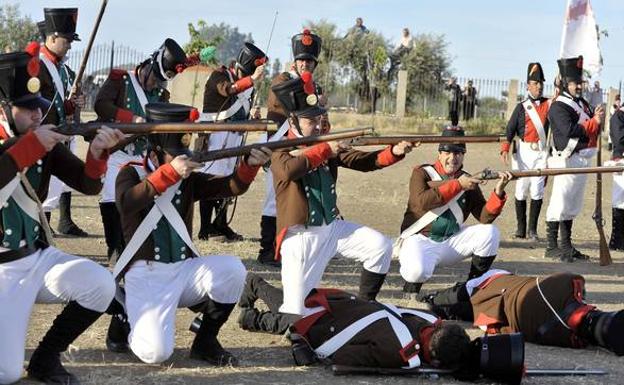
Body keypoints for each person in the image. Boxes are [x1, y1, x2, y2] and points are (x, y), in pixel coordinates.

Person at [106, 102, 271, 366]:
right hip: (146, 273)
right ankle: (126, 310)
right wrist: (169, 174)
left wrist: (249, 165)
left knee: (232, 269)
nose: (182, 158)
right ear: (157, 151)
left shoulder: (187, 178)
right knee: (156, 354)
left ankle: (205, 341)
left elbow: (230, 187)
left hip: (183, 269)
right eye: (175, 154)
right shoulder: (131, 172)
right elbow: (126, 203)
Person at [0, 46, 124, 385]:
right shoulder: (27, 144)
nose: (37, 115)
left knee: (100, 284)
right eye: (26, 109)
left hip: (36, 256)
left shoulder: (36, 141)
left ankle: (45, 358)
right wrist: (31, 146)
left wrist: (98, 151)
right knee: (6, 373)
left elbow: (88, 184)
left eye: (38, 108)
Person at [270, 74, 413, 317]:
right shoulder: (280, 147)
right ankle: (256, 291)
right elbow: (288, 170)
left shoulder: (325, 143)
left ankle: (365, 306)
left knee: (379, 247)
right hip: (301, 236)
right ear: (293, 121)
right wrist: (325, 149)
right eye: (309, 121)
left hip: (332, 228)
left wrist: (395, 151)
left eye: (318, 119)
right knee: (295, 311)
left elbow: (363, 161)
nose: (317, 125)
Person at [94, 38, 187, 261]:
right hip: (117, 151)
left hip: (145, 155)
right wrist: (131, 118)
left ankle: (136, 247)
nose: (156, 83)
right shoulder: (120, 80)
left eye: (160, 80)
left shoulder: (162, 96)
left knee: (143, 199)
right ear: (148, 66)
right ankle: (114, 247)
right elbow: (101, 105)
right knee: (110, 198)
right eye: (155, 77)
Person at [397, 127, 512, 295]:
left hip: (451, 240)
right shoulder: (422, 173)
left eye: (458, 153)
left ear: (463, 155)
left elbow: (484, 217)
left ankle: (475, 286)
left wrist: (498, 192)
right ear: (440, 154)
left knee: (490, 233)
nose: (453, 158)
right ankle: (411, 292)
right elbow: (422, 202)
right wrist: (458, 185)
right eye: (448, 152)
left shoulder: (467, 178)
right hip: (421, 239)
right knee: (416, 272)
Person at [420, 270, 624, 356]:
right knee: (469, 307)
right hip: (500, 305)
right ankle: (437, 302)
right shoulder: (562, 338)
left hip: (501, 289)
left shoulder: (568, 283)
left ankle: (434, 301)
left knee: (467, 295)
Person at [259, 29, 325, 267]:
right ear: (295, 61)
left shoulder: (311, 85)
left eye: (309, 60)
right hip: (279, 146)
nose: (305, 64)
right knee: (272, 200)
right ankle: (267, 251)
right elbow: (295, 102)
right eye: (302, 60)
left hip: (301, 147)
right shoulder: (282, 81)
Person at [195, 42, 267, 242]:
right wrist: (251, 80)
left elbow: (240, 110)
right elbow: (228, 90)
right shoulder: (219, 75)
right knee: (210, 180)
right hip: (215, 136)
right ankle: (205, 228)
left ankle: (221, 224)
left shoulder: (247, 86)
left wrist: (252, 117)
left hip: (234, 136)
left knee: (228, 182)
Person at [544, 56, 604, 262]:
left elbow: (591, 127)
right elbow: (569, 130)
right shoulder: (558, 106)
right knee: (559, 203)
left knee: (572, 204)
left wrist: (598, 120)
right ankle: (552, 246)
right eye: (574, 83)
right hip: (566, 158)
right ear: (565, 84)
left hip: (581, 158)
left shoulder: (583, 103)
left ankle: (567, 245)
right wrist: (593, 123)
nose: (578, 86)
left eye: (579, 83)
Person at [38, 7, 89, 238]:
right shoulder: (36, 65)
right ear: (53, 37)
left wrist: (70, 105)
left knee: (48, 190)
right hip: (39, 138)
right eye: (66, 39)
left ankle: (42, 237)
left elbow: (53, 103)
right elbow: (37, 105)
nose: (69, 44)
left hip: (54, 138)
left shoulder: (57, 67)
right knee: (38, 190)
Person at [500, 63, 550, 240]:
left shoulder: (548, 104)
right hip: (523, 151)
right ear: (528, 85)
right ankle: (521, 229)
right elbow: (510, 129)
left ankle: (533, 230)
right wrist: (505, 148)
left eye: (541, 83)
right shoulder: (521, 107)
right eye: (536, 83)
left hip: (541, 152)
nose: (539, 86)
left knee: (537, 190)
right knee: (521, 189)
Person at [607, 101, 624, 250]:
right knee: (619, 199)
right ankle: (616, 240)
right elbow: (619, 140)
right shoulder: (619, 116)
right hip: (621, 160)